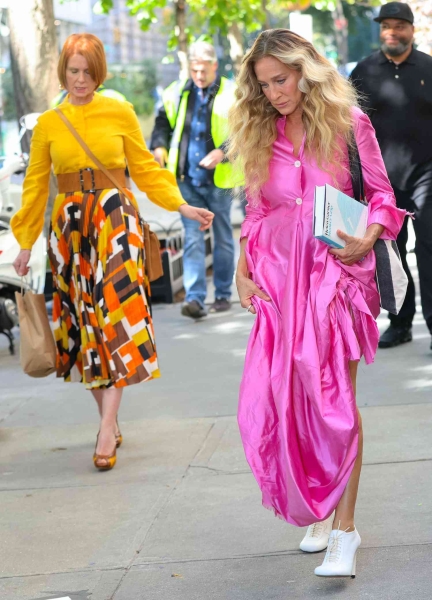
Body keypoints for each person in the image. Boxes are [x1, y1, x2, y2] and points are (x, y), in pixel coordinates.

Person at [228, 29, 406, 578]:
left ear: (305, 68)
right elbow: (258, 211)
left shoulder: (350, 125)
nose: (274, 92)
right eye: (264, 84)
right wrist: (242, 267)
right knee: (289, 401)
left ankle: (345, 534)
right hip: (281, 286)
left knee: (336, 401)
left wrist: (371, 231)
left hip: (337, 280)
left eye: (281, 79)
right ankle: (322, 507)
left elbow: (382, 196)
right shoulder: (265, 133)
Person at [11, 33, 213, 471]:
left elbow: (144, 169)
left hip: (117, 224)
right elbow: (34, 188)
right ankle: (108, 415)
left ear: (99, 72)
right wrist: (25, 243)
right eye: (73, 70)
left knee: (117, 317)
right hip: (70, 231)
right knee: (84, 326)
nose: (80, 79)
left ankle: (106, 427)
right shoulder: (48, 123)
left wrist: (181, 206)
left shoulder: (119, 112)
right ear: (64, 71)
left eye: (87, 71)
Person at [351, 2, 432, 349]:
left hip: (427, 175)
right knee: (391, 255)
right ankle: (400, 324)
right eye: (386, 26)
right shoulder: (363, 71)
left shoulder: (429, 67)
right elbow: (347, 127)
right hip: (381, 183)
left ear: (411, 30)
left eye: (399, 26)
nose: (392, 32)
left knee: (430, 250)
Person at [150, 42, 238, 319]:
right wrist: (159, 147)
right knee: (192, 237)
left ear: (214, 66)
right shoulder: (176, 92)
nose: (198, 75)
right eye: (194, 69)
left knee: (223, 236)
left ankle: (223, 294)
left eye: (204, 69)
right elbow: (162, 123)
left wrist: (222, 152)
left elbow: (246, 130)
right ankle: (195, 298)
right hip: (187, 178)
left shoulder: (233, 93)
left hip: (220, 180)